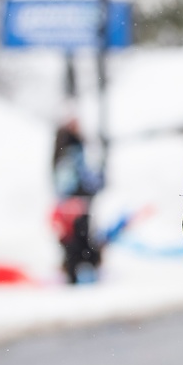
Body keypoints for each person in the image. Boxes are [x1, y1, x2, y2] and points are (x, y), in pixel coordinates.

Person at [50, 118, 102, 284]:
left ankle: (75, 271)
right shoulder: (71, 150)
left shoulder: (63, 149)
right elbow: (74, 177)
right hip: (76, 202)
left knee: (75, 241)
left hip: (74, 202)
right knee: (79, 240)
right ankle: (79, 271)